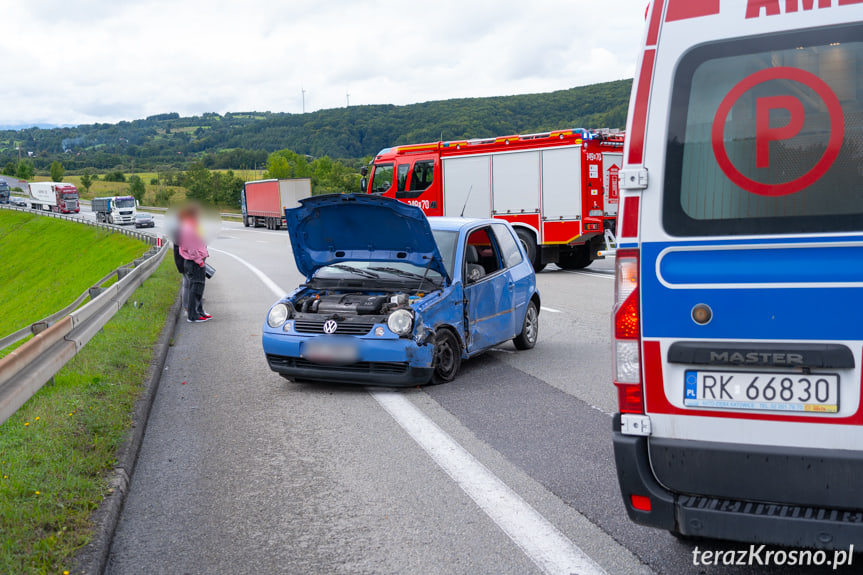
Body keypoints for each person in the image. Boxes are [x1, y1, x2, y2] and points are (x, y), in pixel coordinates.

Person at [178, 204, 211, 323]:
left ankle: (199, 312)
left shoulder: (194, 225)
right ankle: (193, 316)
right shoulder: (188, 227)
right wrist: (199, 261)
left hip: (197, 261)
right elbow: (190, 248)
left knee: (198, 288)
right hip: (194, 262)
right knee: (195, 288)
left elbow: (200, 240)